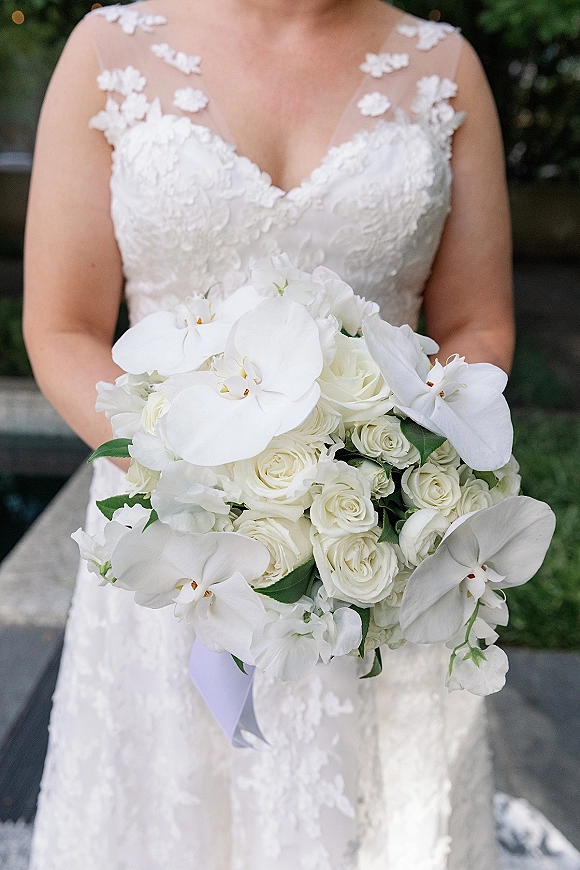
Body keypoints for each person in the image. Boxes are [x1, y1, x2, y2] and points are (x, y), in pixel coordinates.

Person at [23, 0, 514, 867]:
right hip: (175, 548)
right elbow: (62, 328)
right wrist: (205, 483)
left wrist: (371, 468)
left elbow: (478, 325)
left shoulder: (442, 67)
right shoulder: (110, 51)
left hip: (372, 546)